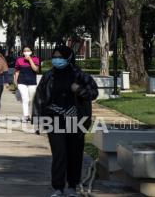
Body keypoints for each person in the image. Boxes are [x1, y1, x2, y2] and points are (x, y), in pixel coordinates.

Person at [32, 45, 98, 197]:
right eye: (55, 57)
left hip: (76, 120)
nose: (57, 60)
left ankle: (72, 186)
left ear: (69, 58)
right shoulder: (49, 76)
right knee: (59, 153)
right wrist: (37, 119)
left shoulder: (80, 75)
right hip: (54, 119)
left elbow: (93, 93)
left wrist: (79, 90)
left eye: (60, 57)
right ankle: (58, 187)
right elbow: (40, 97)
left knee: (74, 154)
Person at [14, 46, 40, 122]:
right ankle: (25, 116)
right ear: (22, 52)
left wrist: (30, 60)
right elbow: (17, 71)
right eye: (25, 51)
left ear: (31, 52)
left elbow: (36, 69)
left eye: (28, 50)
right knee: (25, 99)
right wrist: (16, 82)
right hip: (22, 82)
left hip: (32, 83)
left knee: (31, 100)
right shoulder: (19, 60)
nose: (26, 52)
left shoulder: (35, 59)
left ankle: (31, 115)